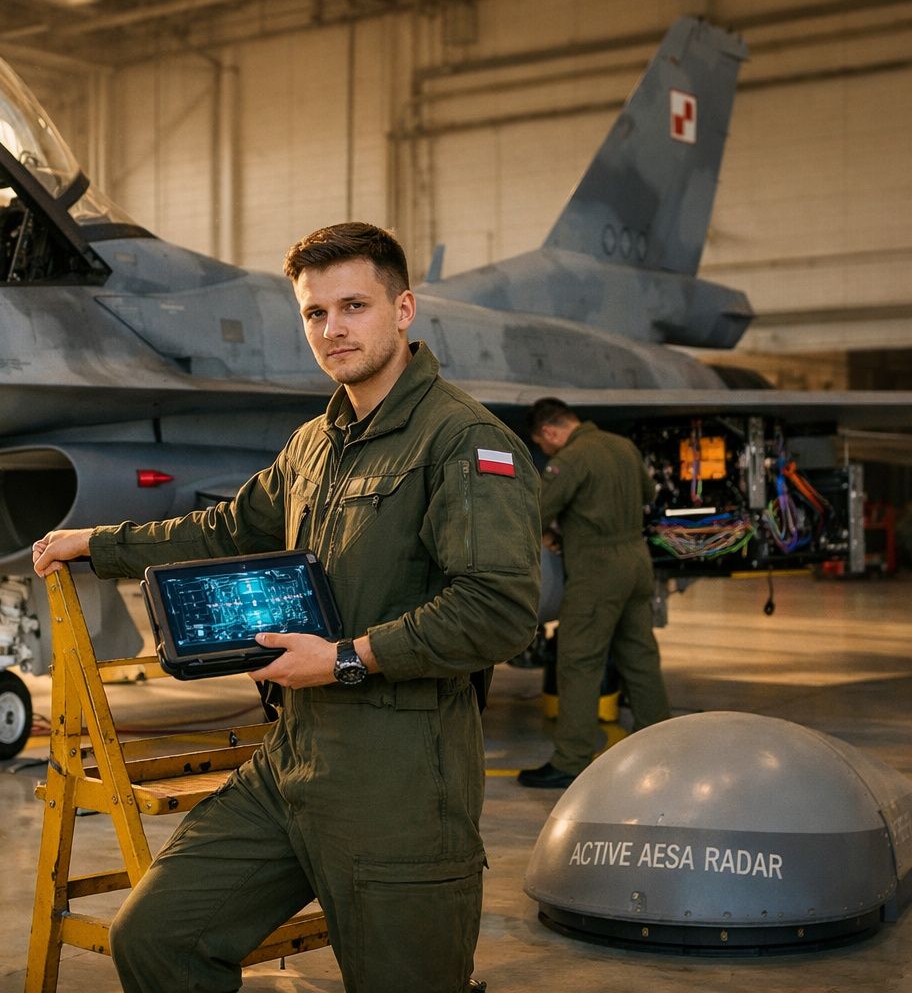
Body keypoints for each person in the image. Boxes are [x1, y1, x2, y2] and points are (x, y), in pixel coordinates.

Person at [34, 222, 541, 993]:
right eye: (314, 313)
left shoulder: (464, 441)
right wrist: (99, 543)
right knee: (157, 938)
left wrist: (344, 658)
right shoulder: (315, 443)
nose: (332, 330)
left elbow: (498, 611)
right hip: (292, 762)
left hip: (400, 779)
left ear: (403, 311)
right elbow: (226, 529)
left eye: (353, 306)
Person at [517, 398, 671, 789]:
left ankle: (571, 759)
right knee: (639, 655)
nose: (546, 450)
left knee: (579, 660)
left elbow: (536, 509)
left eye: (543, 444)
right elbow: (649, 493)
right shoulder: (622, 445)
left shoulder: (570, 460)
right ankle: (665, 745)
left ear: (549, 432)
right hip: (637, 563)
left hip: (597, 570)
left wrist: (551, 533)